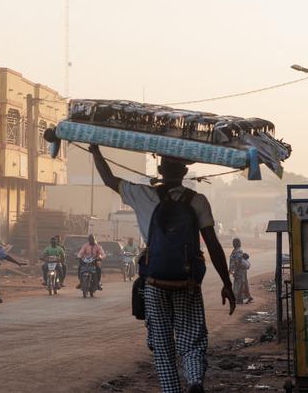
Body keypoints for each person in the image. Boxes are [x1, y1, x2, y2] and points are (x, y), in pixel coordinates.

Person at [90, 145, 235, 393]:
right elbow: (213, 245)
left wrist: (95, 151)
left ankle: (171, 390)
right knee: (192, 340)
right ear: (184, 172)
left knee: (162, 345)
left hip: (154, 281)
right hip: (187, 282)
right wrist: (227, 284)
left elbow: (108, 179)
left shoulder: (142, 195)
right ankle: (194, 381)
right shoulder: (197, 201)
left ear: (160, 169)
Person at [230, 238, 253, 305]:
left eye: (234, 242)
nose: (233, 244)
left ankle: (239, 299)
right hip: (242, 271)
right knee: (243, 283)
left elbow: (237, 263)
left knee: (239, 285)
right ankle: (247, 297)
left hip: (239, 271)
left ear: (234, 244)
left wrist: (235, 271)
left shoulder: (236, 252)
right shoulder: (239, 251)